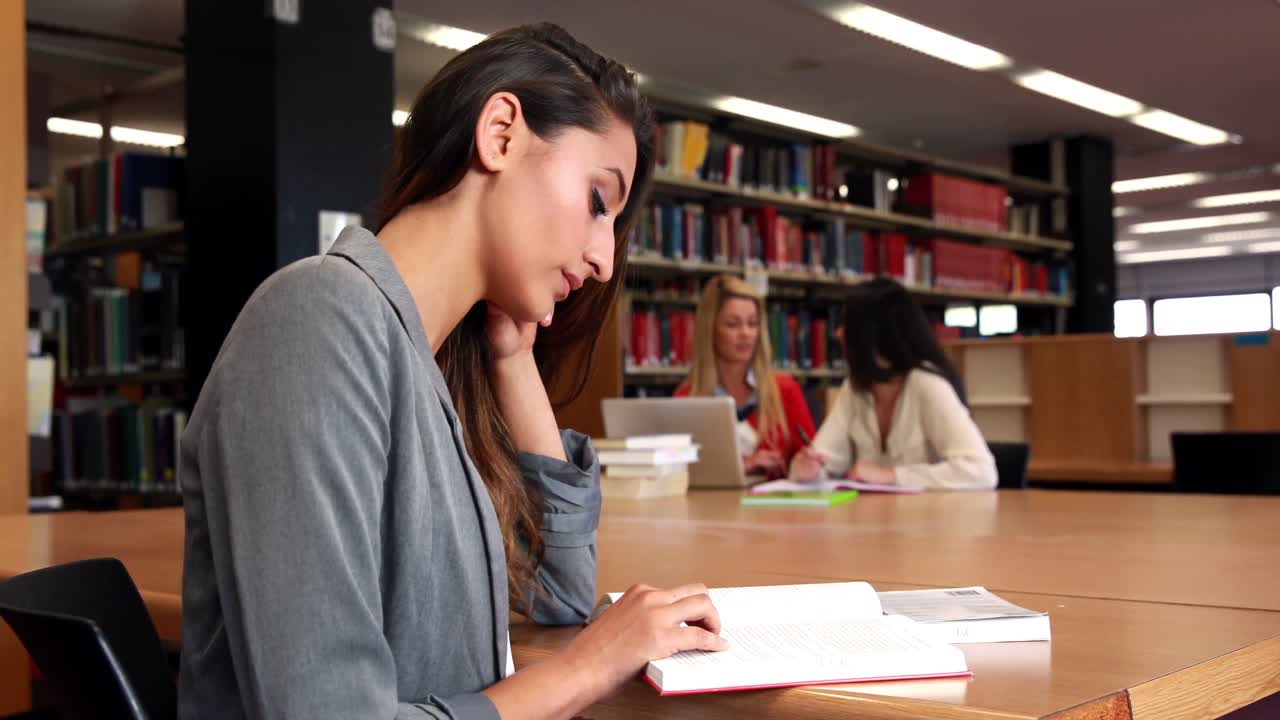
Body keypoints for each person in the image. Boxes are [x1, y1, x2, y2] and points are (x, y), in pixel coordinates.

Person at [179, 23, 727, 720]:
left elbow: (556, 597)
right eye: (598, 201)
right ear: (500, 132)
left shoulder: (425, 364)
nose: (603, 262)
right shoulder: (316, 322)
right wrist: (592, 666)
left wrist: (512, 357)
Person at [790, 278, 997, 490]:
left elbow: (981, 470)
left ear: (872, 333)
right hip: (872, 519)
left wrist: (891, 475)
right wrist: (809, 469)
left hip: (931, 519)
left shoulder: (926, 383)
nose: (838, 333)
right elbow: (825, 458)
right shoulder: (855, 388)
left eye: (848, 324)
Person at [675, 274, 817, 479]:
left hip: (775, 509)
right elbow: (679, 473)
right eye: (733, 324)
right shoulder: (686, 399)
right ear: (710, 330)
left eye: (752, 323)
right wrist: (742, 466)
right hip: (712, 509)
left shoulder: (784, 389)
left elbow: (811, 461)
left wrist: (805, 464)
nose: (746, 333)